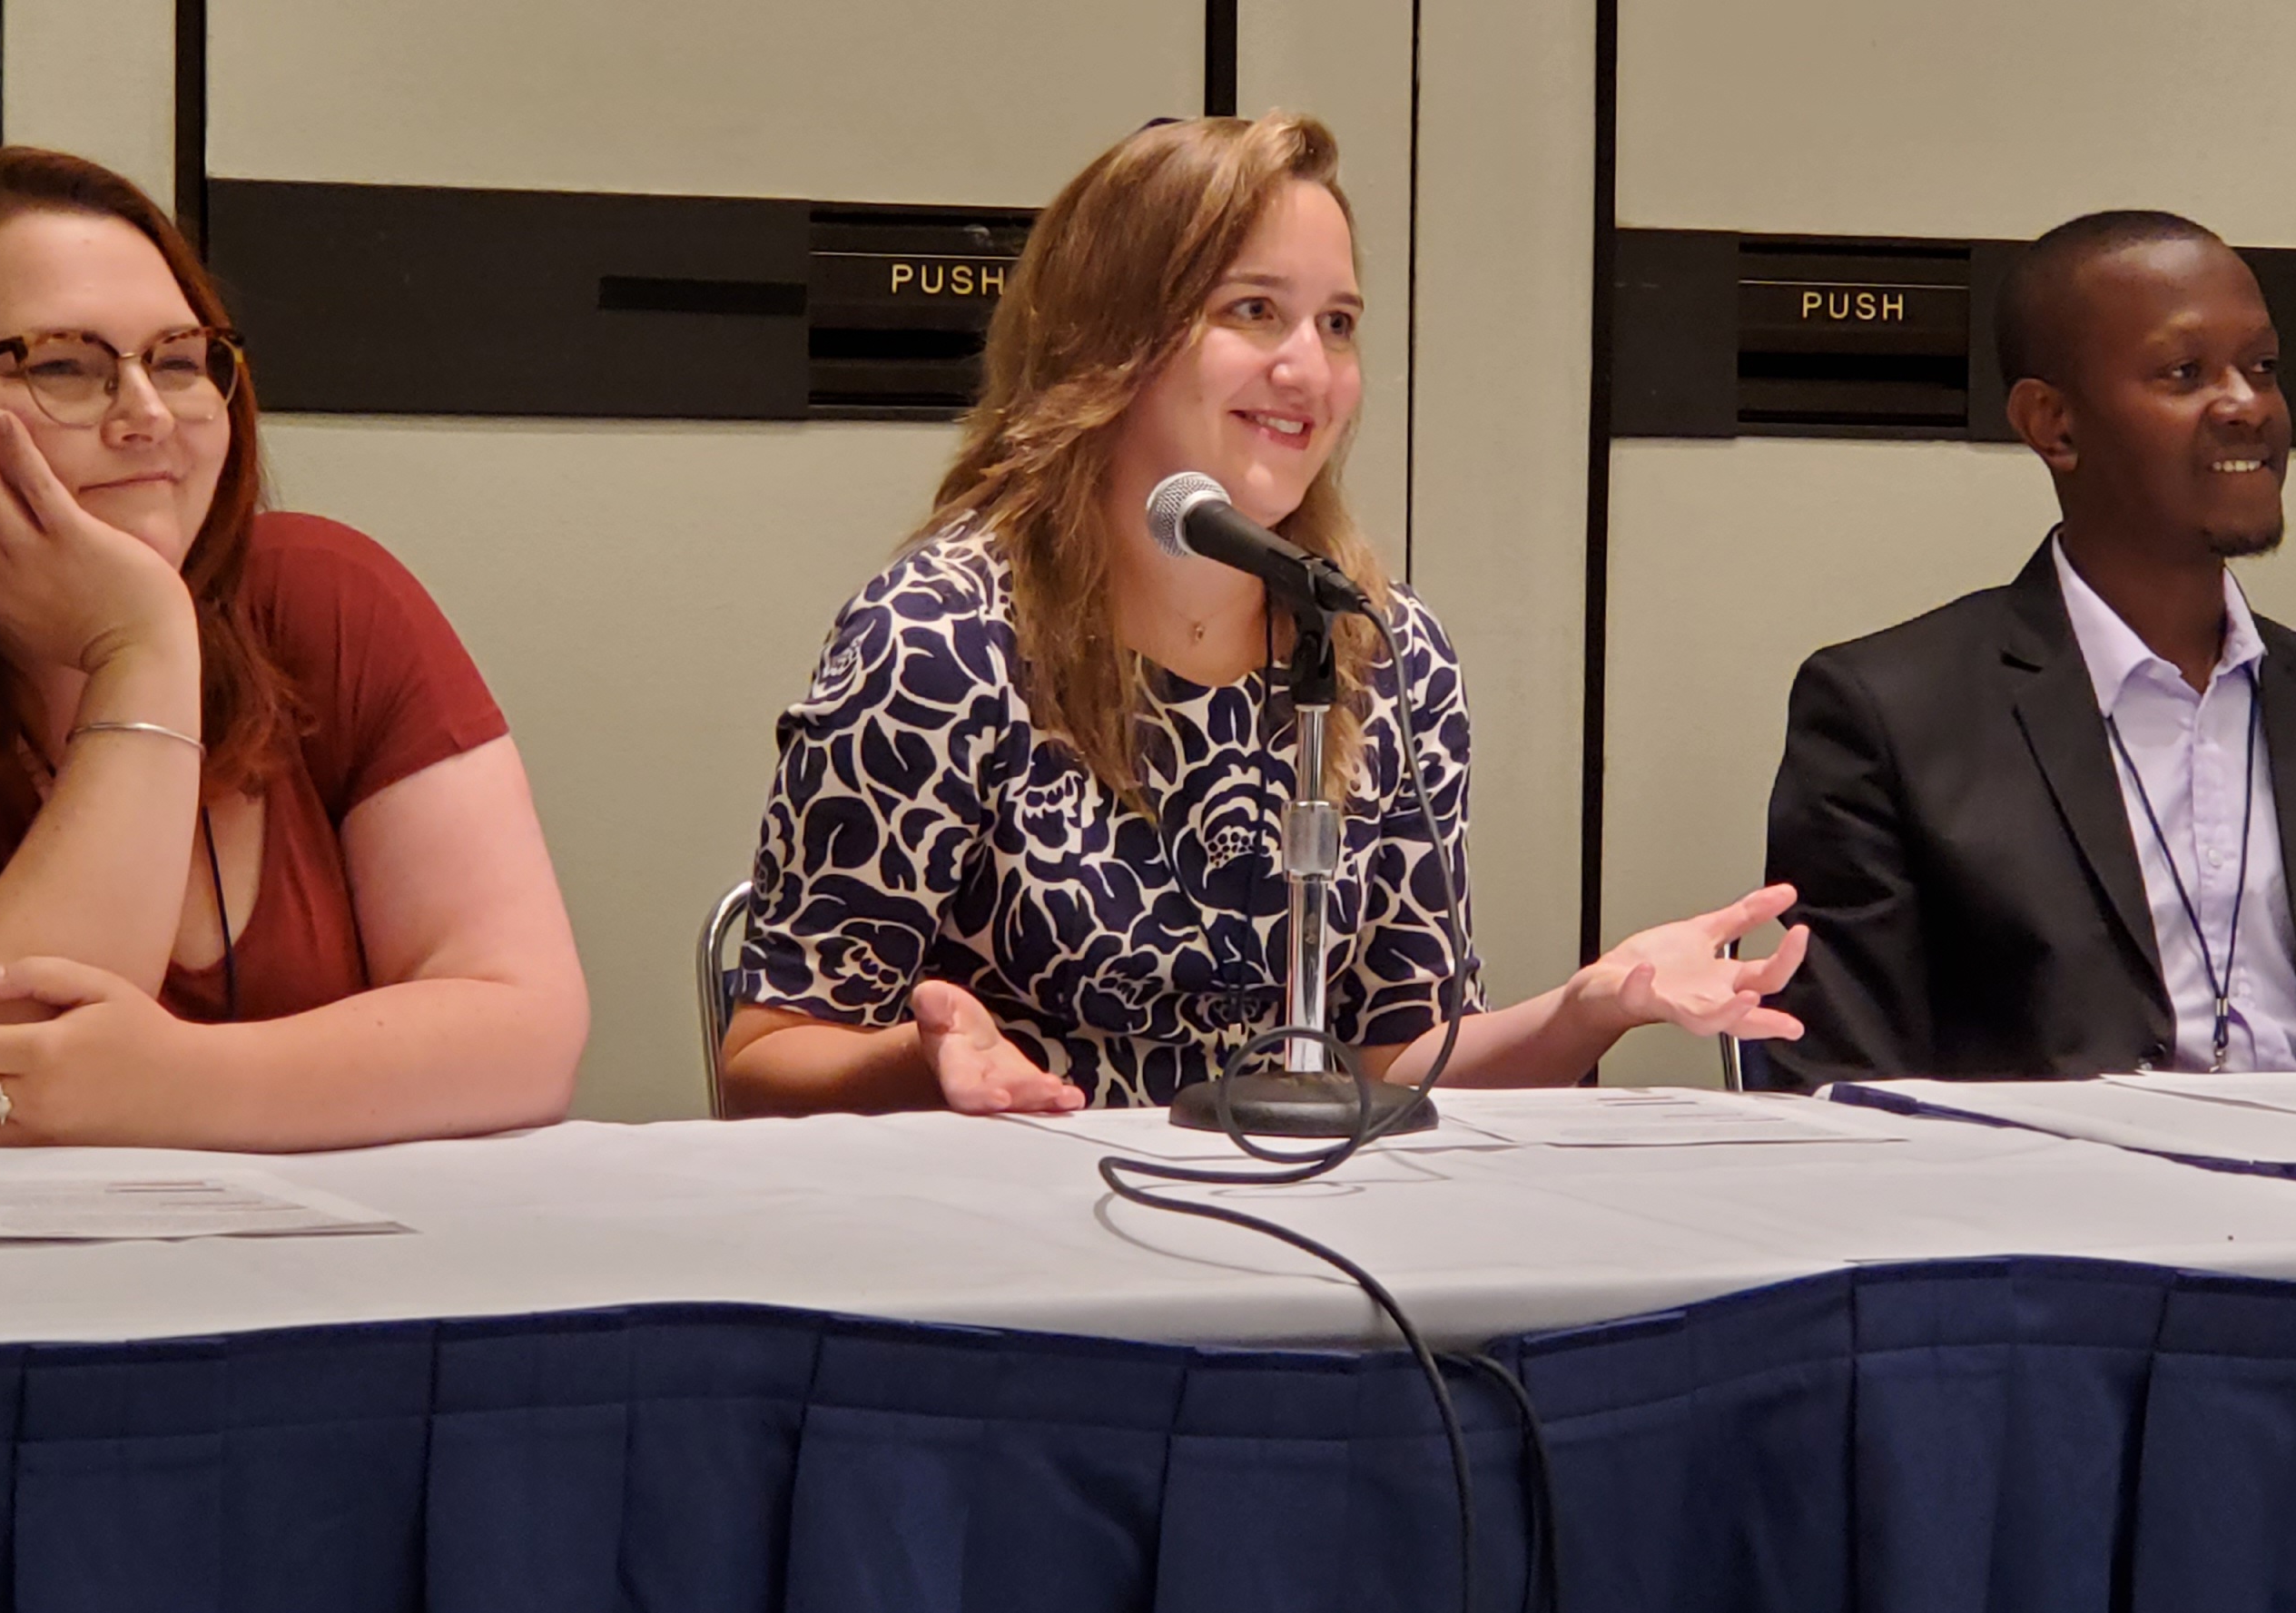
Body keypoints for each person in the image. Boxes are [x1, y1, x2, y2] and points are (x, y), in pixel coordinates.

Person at [718, 113, 1807, 1116]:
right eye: (1252, 311)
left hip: (1311, 1248)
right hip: (1015, 1246)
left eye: (1336, 323)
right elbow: (764, 1059)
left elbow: (1399, 1061)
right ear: (1111, 341)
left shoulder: (1380, 649)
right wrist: (927, 1064)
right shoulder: (940, 638)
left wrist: (1596, 1003)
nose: (1308, 370)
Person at [0, 147, 589, 1150]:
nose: (150, 417)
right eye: (62, 366)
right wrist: (143, 646)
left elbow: (525, 1030)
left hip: (252, 1285)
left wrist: (176, 1083)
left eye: (178, 359)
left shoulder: (328, 598)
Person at [1760, 210, 2296, 1087]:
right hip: (2051, 1208)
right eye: (2185, 373)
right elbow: (1849, 1080)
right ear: (2053, 425)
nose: (2246, 405)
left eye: (2262, 367)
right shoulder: (1891, 714)